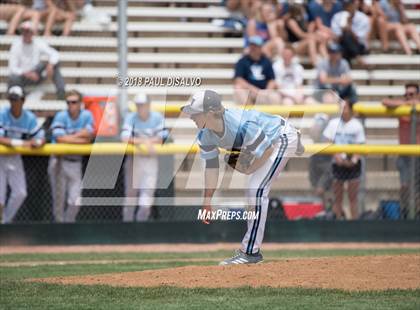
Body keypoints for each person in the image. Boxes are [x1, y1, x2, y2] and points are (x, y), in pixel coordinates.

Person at [181, 90, 304, 265]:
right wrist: (207, 200)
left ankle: (250, 253)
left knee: (256, 190)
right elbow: (211, 168)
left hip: (280, 137)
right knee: (238, 170)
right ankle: (250, 251)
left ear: (210, 113)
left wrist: (249, 169)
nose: (191, 117)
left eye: (195, 113)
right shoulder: (204, 134)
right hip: (258, 139)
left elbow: (268, 150)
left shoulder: (241, 124)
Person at [0, 86, 45, 224]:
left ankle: (5, 222)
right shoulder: (3, 113)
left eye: (16, 99)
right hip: (1, 156)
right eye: (11, 99)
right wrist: (23, 143)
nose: (13, 102)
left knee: (20, 193)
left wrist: (35, 143)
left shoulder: (29, 117)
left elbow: (40, 138)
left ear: (23, 100)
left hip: (15, 157)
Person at [48, 89, 94, 223]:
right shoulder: (61, 116)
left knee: (75, 201)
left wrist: (69, 137)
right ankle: (58, 230)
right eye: (68, 102)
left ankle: (67, 225)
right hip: (59, 161)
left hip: (75, 162)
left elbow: (89, 136)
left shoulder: (86, 115)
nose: (71, 105)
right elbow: (59, 138)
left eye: (74, 102)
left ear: (80, 103)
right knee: (58, 201)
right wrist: (79, 137)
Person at [120, 93, 167, 222]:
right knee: (130, 196)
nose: (140, 108)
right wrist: (144, 141)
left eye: (143, 105)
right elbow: (124, 137)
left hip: (150, 159)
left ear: (148, 105)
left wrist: (146, 141)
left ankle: (140, 227)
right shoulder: (131, 117)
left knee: (147, 199)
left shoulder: (156, 117)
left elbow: (163, 136)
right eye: (138, 105)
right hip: (134, 159)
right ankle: (127, 228)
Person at [323, 97, 365, 220]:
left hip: (353, 164)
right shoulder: (333, 123)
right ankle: (337, 222)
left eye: (345, 108)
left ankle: (354, 223)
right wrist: (337, 158)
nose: (343, 110)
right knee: (338, 197)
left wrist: (352, 161)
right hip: (338, 162)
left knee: (353, 198)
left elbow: (360, 145)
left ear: (351, 110)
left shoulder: (356, 125)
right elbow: (328, 141)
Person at [382, 83, 420, 218]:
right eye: (406, 95)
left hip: (418, 155)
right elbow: (385, 102)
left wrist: (413, 104)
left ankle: (416, 214)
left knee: (417, 189)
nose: (408, 97)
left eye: (411, 94)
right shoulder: (402, 107)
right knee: (405, 186)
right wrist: (406, 103)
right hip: (404, 155)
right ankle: (404, 213)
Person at [8, 21, 66, 99]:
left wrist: (50, 65)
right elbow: (12, 68)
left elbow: (54, 54)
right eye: (24, 31)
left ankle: (61, 93)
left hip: (36, 74)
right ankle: (17, 99)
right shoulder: (16, 45)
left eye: (28, 31)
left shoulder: (38, 42)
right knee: (14, 77)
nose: (26, 33)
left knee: (53, 64)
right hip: (23, 77)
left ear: (32, 33)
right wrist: (27, 73)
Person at [234, 36, 278, 105]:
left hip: (264, 91)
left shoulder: (266, 61)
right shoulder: (242, 61)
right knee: (238, 88)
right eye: (251, 46)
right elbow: (238, 79)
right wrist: (255, 90)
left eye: (255, 46)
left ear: (260, 48)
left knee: (275, 97)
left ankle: (275, 115)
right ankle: (248, 114)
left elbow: (272, 80)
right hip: (250, 91)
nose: (253, 48)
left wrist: (267, 91)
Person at [331, 0, 370, 65]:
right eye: (346, 5)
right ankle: (357, 57)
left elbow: (360, 39)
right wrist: (343, 30)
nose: (348, 7)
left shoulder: (363, 18)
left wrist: (349, 29)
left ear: (354, 4)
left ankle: (355, 58)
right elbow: (336, 39)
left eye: (350, 4)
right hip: (342, 45)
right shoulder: (337, 17)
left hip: (358, 46)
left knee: (347, 37)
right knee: (344, 47)